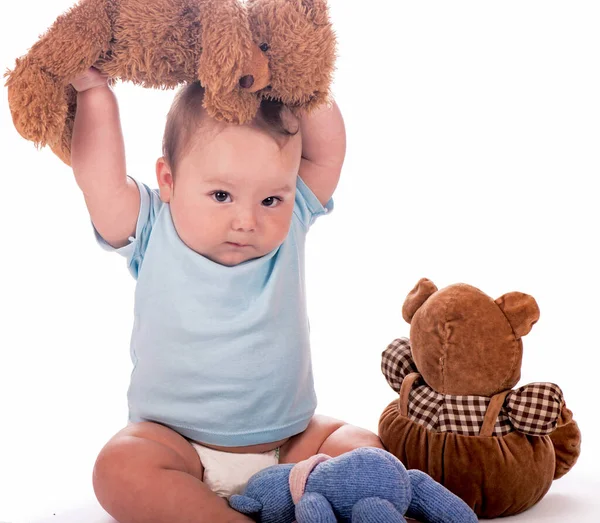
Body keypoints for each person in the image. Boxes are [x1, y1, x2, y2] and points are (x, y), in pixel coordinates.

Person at [70, 67, 383, 523]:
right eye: (221, 194)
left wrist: (298, 73)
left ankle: (304, 498)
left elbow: (327, 153)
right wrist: (94, 93)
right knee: (119, 468)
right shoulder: (153, 228)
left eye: (269, 200)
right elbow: (100, 181)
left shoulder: (291, 219)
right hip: (180, 449)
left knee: (364, 451)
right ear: (169, 181)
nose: (247, 220)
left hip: (291, 446)